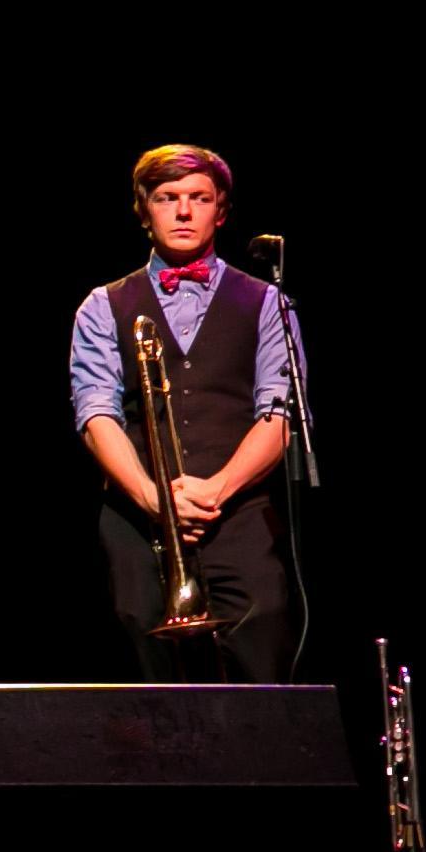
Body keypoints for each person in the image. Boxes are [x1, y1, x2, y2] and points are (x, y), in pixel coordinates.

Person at [70, 143, 298, 680]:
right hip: (139, 520)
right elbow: (96, 414)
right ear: (143, 210)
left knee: (260, 662)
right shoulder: (102, 305)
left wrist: (215, 490)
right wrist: (157, 501)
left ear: (221, 211)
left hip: (239, 517)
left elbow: (278, 415)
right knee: (151, 680)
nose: (183, 211)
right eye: (167, 198)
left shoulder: (268, 302)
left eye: (199, 198)